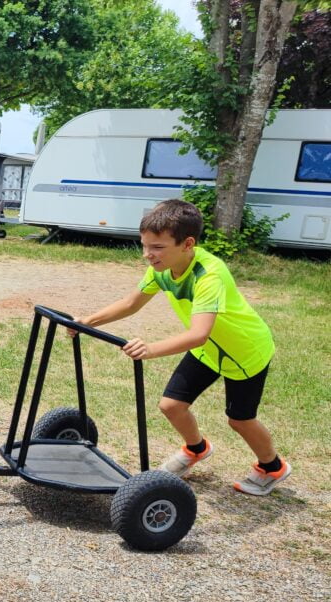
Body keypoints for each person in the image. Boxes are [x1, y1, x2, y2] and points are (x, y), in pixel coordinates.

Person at [71, 199, 290, 495]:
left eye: (158, 248)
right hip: (208, 349)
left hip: (243, 352)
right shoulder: (161, 269)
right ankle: (196, 449)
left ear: (187, 244)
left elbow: (199, 333)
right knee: (171, 406)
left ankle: (272, 466)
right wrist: (87, 321)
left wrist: (151, 349)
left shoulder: (209, 274)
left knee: (240, 419)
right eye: (145, 245)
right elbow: (130, 303)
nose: (148, 255)